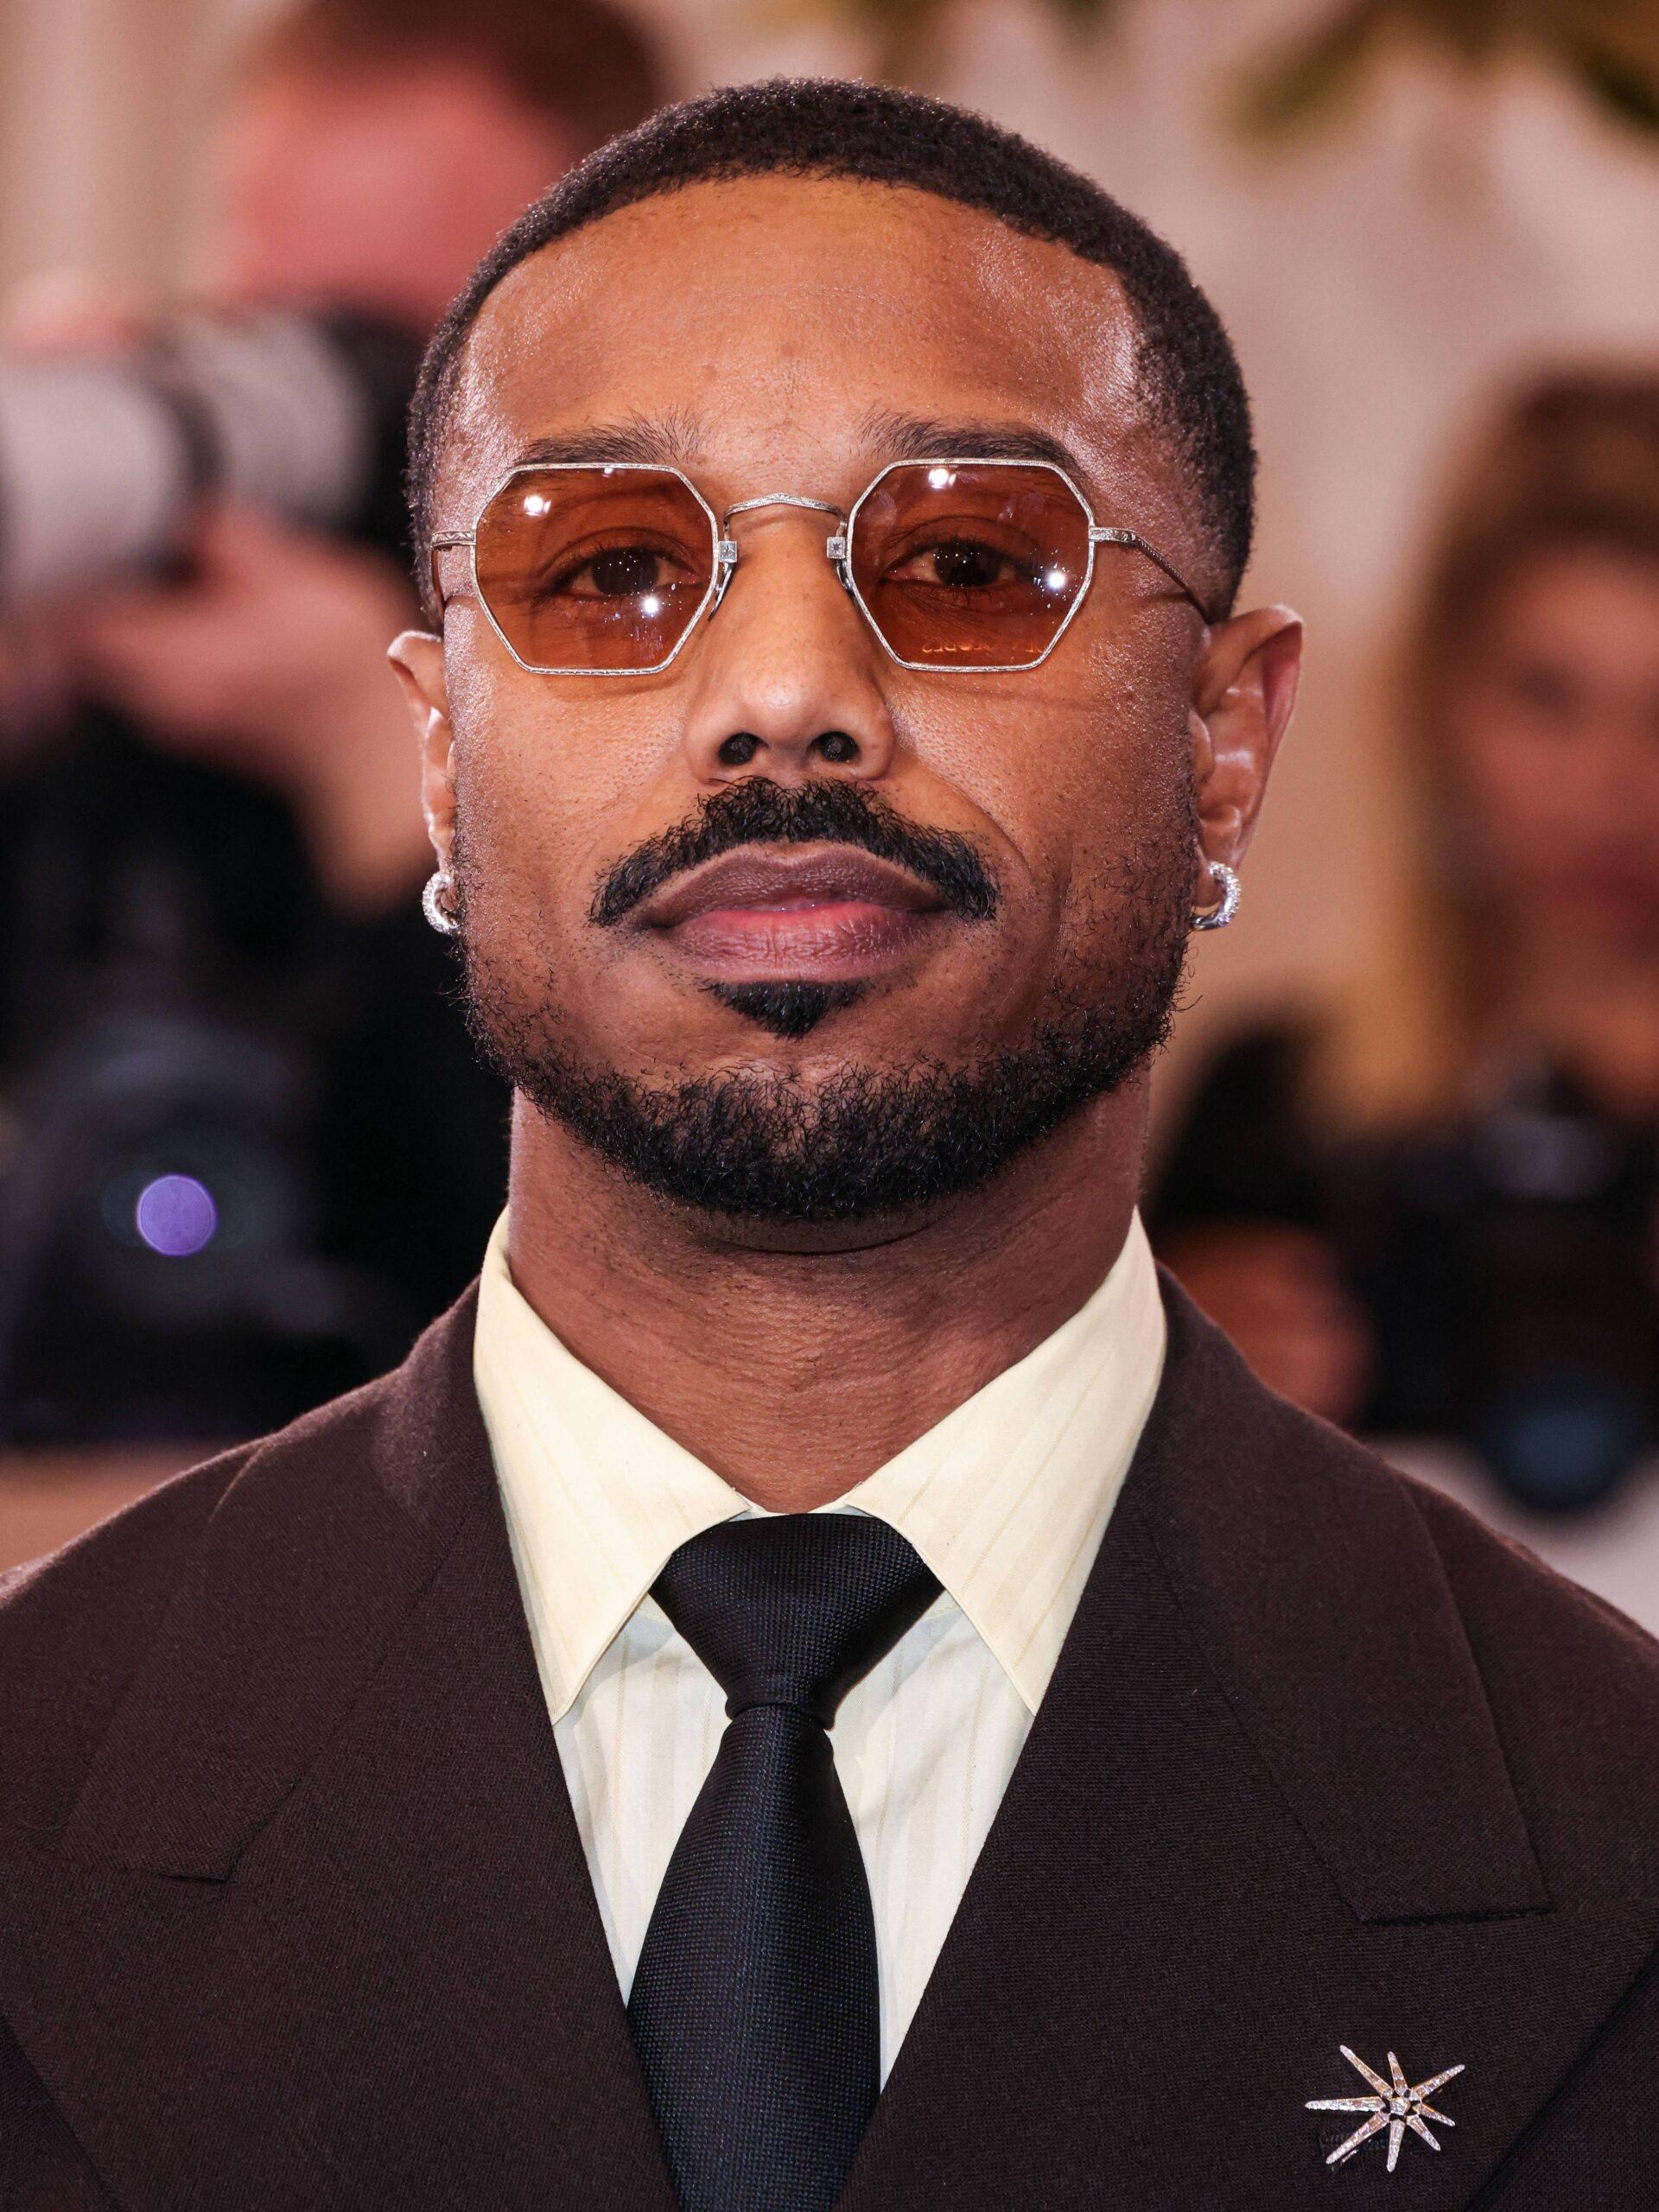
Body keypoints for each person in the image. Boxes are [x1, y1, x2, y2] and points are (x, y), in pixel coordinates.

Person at [3, 78, 1657, 2212]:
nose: (785, 689)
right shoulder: (39, 1771)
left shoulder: (1610, 1826)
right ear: (434, 746)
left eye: (969, 561)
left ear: (1227, 736)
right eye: (607, 569)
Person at [0, 0, 666, 1440]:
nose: (320, 386)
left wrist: (383, 766)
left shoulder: (707, 689)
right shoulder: (153, 633)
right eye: (264, 317)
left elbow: (623, 1333)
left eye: (383, 339)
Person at [1152, 372, 1659, 1507]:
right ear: (1441, 702)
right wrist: (1145, 1393)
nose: (1613, 784)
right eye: (1549, 697)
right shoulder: (1278, 1117)